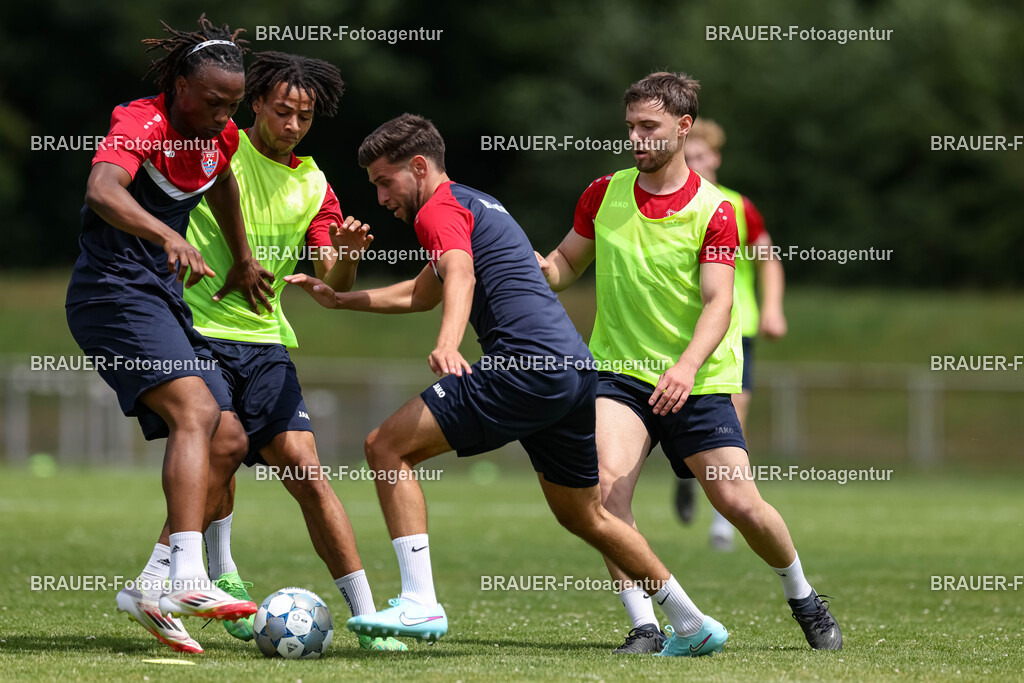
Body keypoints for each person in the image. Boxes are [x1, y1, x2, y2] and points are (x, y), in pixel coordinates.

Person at [285, 113, 730, 657]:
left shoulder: (439, 211)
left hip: (524, 367)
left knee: (386, 446)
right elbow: (425, 291)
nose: (380, 197)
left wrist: (449, 343)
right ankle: (691, 623)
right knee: (583, 513)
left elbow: (461, 273)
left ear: (419, 167)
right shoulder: (476, 203)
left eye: (385, 181)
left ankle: (419, 598)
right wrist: (342, 298)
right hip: (572, 371)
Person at [536, 72, 841, 654]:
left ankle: (803, 596)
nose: (637, 139)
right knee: (603, 496)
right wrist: (533, 267)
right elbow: (565, 264)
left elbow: (720, 301)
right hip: (618, 375)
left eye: (649, 127)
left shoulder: (717, 210)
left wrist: (684, 367)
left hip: (697, 379)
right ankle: (646, 624)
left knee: (738, 503)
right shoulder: (602, 193)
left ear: (682, 126)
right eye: (630, 128)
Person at [181, 50, 405, 652]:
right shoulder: (219, 142)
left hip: (268, 343)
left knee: (308, 474)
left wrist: (350, 253)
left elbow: (335, 276)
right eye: (283, 111)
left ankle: (368, 619)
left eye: (304, 116)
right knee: (221, 450)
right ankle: (197, 577)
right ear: (256, 103)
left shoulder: (314, 182)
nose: (293, 125)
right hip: (199, 331)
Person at [65, 16, 267, 654]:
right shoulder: (141, 123)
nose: (221, 115)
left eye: (232, 105)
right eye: (211, 101)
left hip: (156, 296)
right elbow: (102, 190)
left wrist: (241, 256)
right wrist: (168, 234)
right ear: (180, 86)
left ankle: (151, 586)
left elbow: (226, 179)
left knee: (229, 437)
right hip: (110, 293)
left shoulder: (220, 136)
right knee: (197, 409)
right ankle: (188, 576)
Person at [674, 118, 787, 551]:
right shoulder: (674, 205)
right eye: (689, 157)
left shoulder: (738, 206)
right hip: (686, 330)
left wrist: (773, 308)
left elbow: (769, 259)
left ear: (716, 158)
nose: (696, 164)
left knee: (731, 422)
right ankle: (687, 472)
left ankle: (724, 521)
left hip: (737, 331)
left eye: (702, 156)